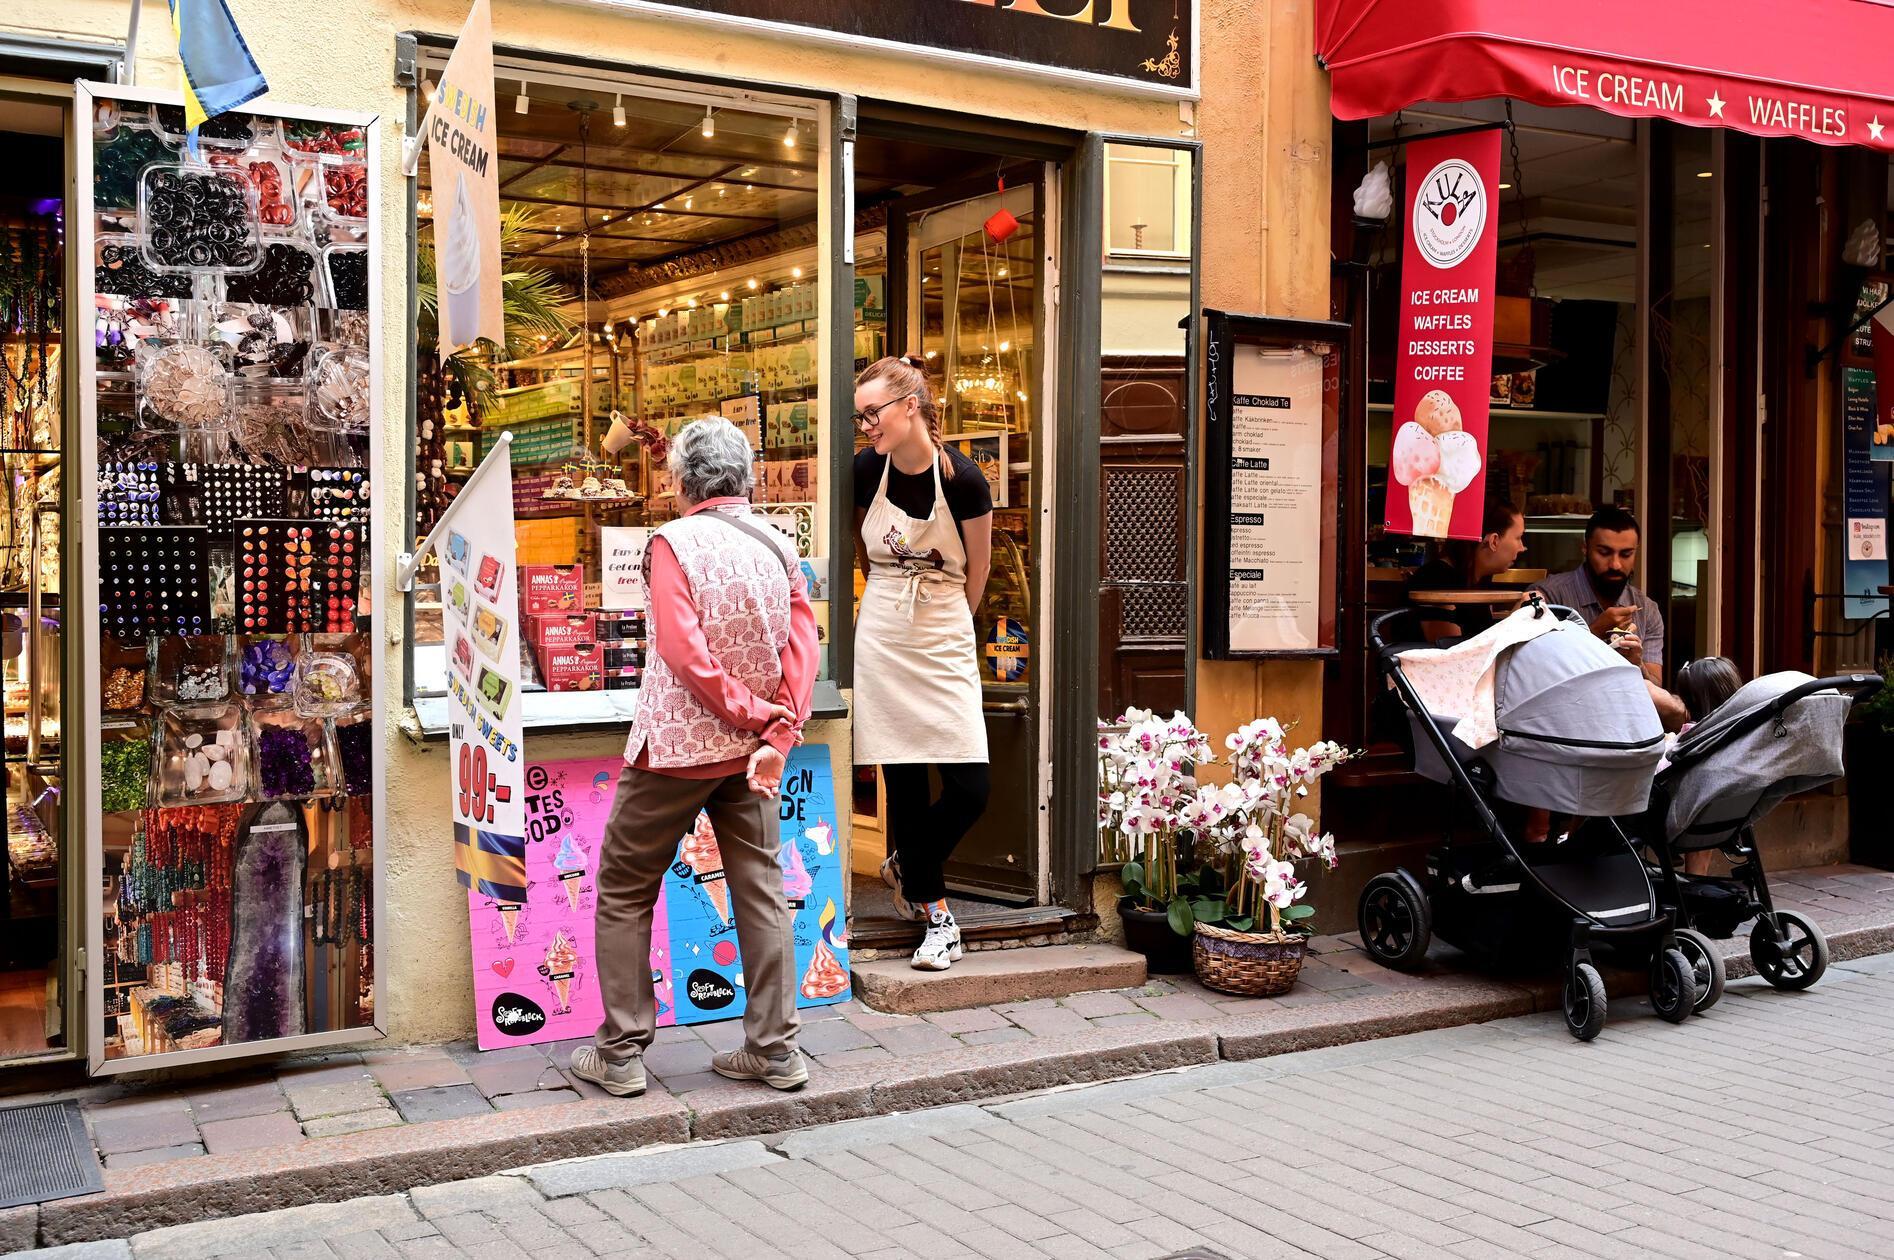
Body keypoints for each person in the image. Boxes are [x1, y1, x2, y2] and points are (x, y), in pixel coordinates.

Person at [572, 417, 819, 1097]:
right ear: (748, 476)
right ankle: (774, 1049)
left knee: (625, 889)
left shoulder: (670, 543)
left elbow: (683, 655)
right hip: (755, 758)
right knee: (762, 891)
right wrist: (777, 732)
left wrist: (745, 711)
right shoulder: (779, 541)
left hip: (673, 753)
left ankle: (621, 1052)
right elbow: (804, 646)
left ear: (680, 481)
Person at [852, 355, 993, 971]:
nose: (866, 427)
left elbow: (979, 569)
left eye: (873, 412)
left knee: (971, 788)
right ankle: (938, 919)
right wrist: (888, 603)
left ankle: (910, 862)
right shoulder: (865, 471)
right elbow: (862, 549)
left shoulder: (964, 480)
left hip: (942, 622)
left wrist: (947, 621)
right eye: (860, 417)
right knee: (905, 778)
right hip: (884, 623)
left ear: (911, 406)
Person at [1530, 506, 1667, 687]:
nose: (1615, 565)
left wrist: (1637, 664)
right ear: (1585, 548)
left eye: (1626, 554)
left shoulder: (1646, 609)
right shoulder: (1549, 596)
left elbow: (1656, 688)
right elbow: (1534, 674)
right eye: (1604, 552)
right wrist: (1593, 632)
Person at [1406, 499, 1527, 642]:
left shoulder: (1480, 580)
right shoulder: (1436, 578)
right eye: (1518, 538)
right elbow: (1452, 652)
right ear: (1494, 541)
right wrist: (1513, 623)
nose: (1522, 547)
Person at [1669, 656, 1745, 877]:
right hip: (1723, 816)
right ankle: (1697, 876)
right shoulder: (1737, 737)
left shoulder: (1691, 741)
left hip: (1684, 817)